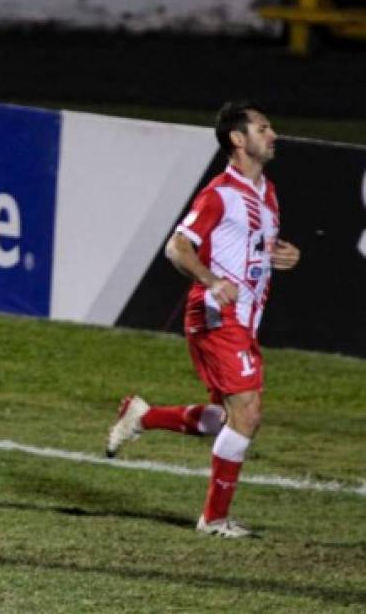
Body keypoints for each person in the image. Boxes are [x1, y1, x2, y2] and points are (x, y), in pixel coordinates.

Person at [106, 100, 300, 537]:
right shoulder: (219, 193)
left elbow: (253, 251)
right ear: (238, 139)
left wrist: (284, 255)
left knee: (223, 417)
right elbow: (177, 247)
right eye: (263, 128)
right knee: (247, 414)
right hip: (216, 316)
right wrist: (212, 280)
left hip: (243, 320)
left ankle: (143, 416)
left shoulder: (267, 193)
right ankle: (213, 518)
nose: (273, 135)